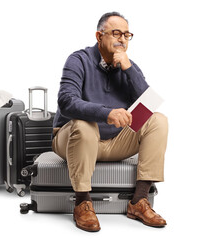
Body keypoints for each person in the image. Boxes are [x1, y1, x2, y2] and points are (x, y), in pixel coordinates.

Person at [52, 12, 168, 232]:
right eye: (116, 33)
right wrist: (106, 113)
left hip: (115, 141)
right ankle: (82, 203)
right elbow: (66, 101)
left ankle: (139, 201)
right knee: (85, 125)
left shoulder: (128, 65)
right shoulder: (79, 60)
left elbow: (148, 105)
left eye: (126, 35)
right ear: (99, 36)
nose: (122, 39)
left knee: (158, 120)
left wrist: (128, 68)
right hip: (73, 139)